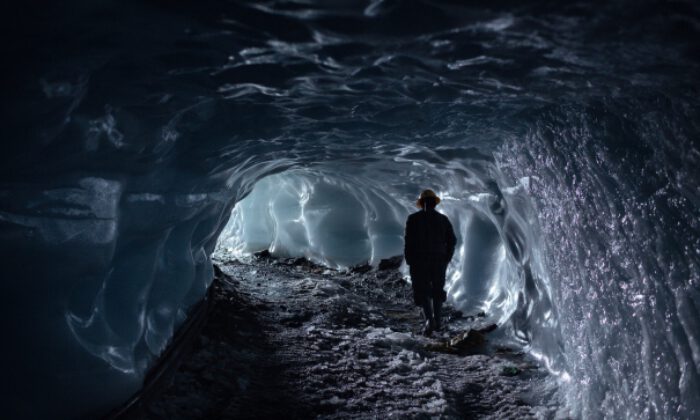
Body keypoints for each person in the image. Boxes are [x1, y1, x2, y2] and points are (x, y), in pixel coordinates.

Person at [404, 189, 457, 336]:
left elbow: (409, 241)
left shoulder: (413, 219)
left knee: (423, 289)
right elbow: (452, 240)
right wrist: (447, 257)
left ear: (422, 204)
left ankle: (429, 320)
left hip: (420, 260)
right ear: (434, 203)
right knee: (437, 290)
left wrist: (409, 259)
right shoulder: (443, 219)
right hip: (438, 260)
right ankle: (437, 322)